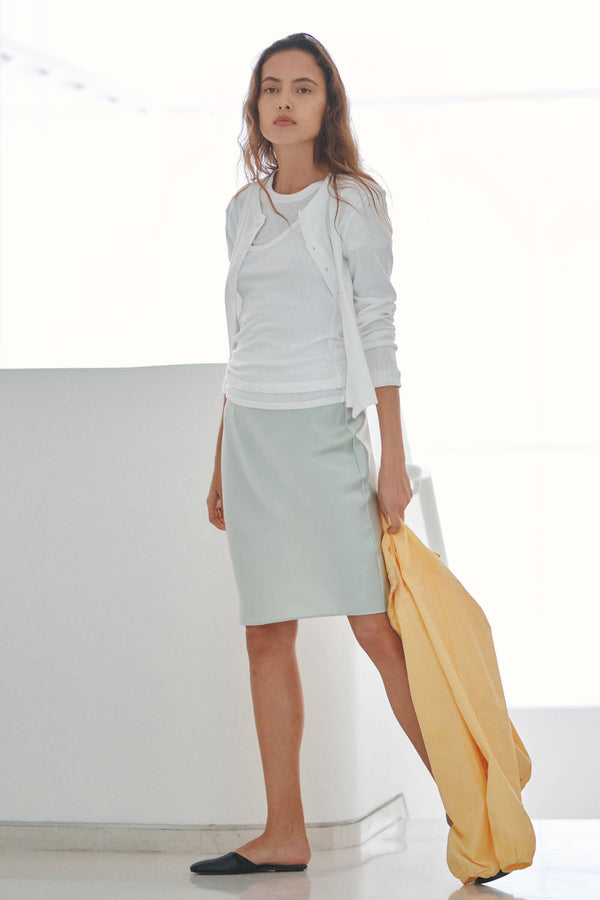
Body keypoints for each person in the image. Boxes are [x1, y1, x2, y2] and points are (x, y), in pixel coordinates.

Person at [191, 32, 445, 877]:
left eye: (304, 87)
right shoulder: (240, 209)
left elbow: (379, 328)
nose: (285, 101)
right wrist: (223, 457)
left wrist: (392, 458)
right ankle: (284, 832)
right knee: (266, 635)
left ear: (327, 106)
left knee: (376, 630)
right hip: (256, 437)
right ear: (257, 109)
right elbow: (241, 342)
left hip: (327, 435)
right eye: (272, 89)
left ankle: (471, 806)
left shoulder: (353, 203)